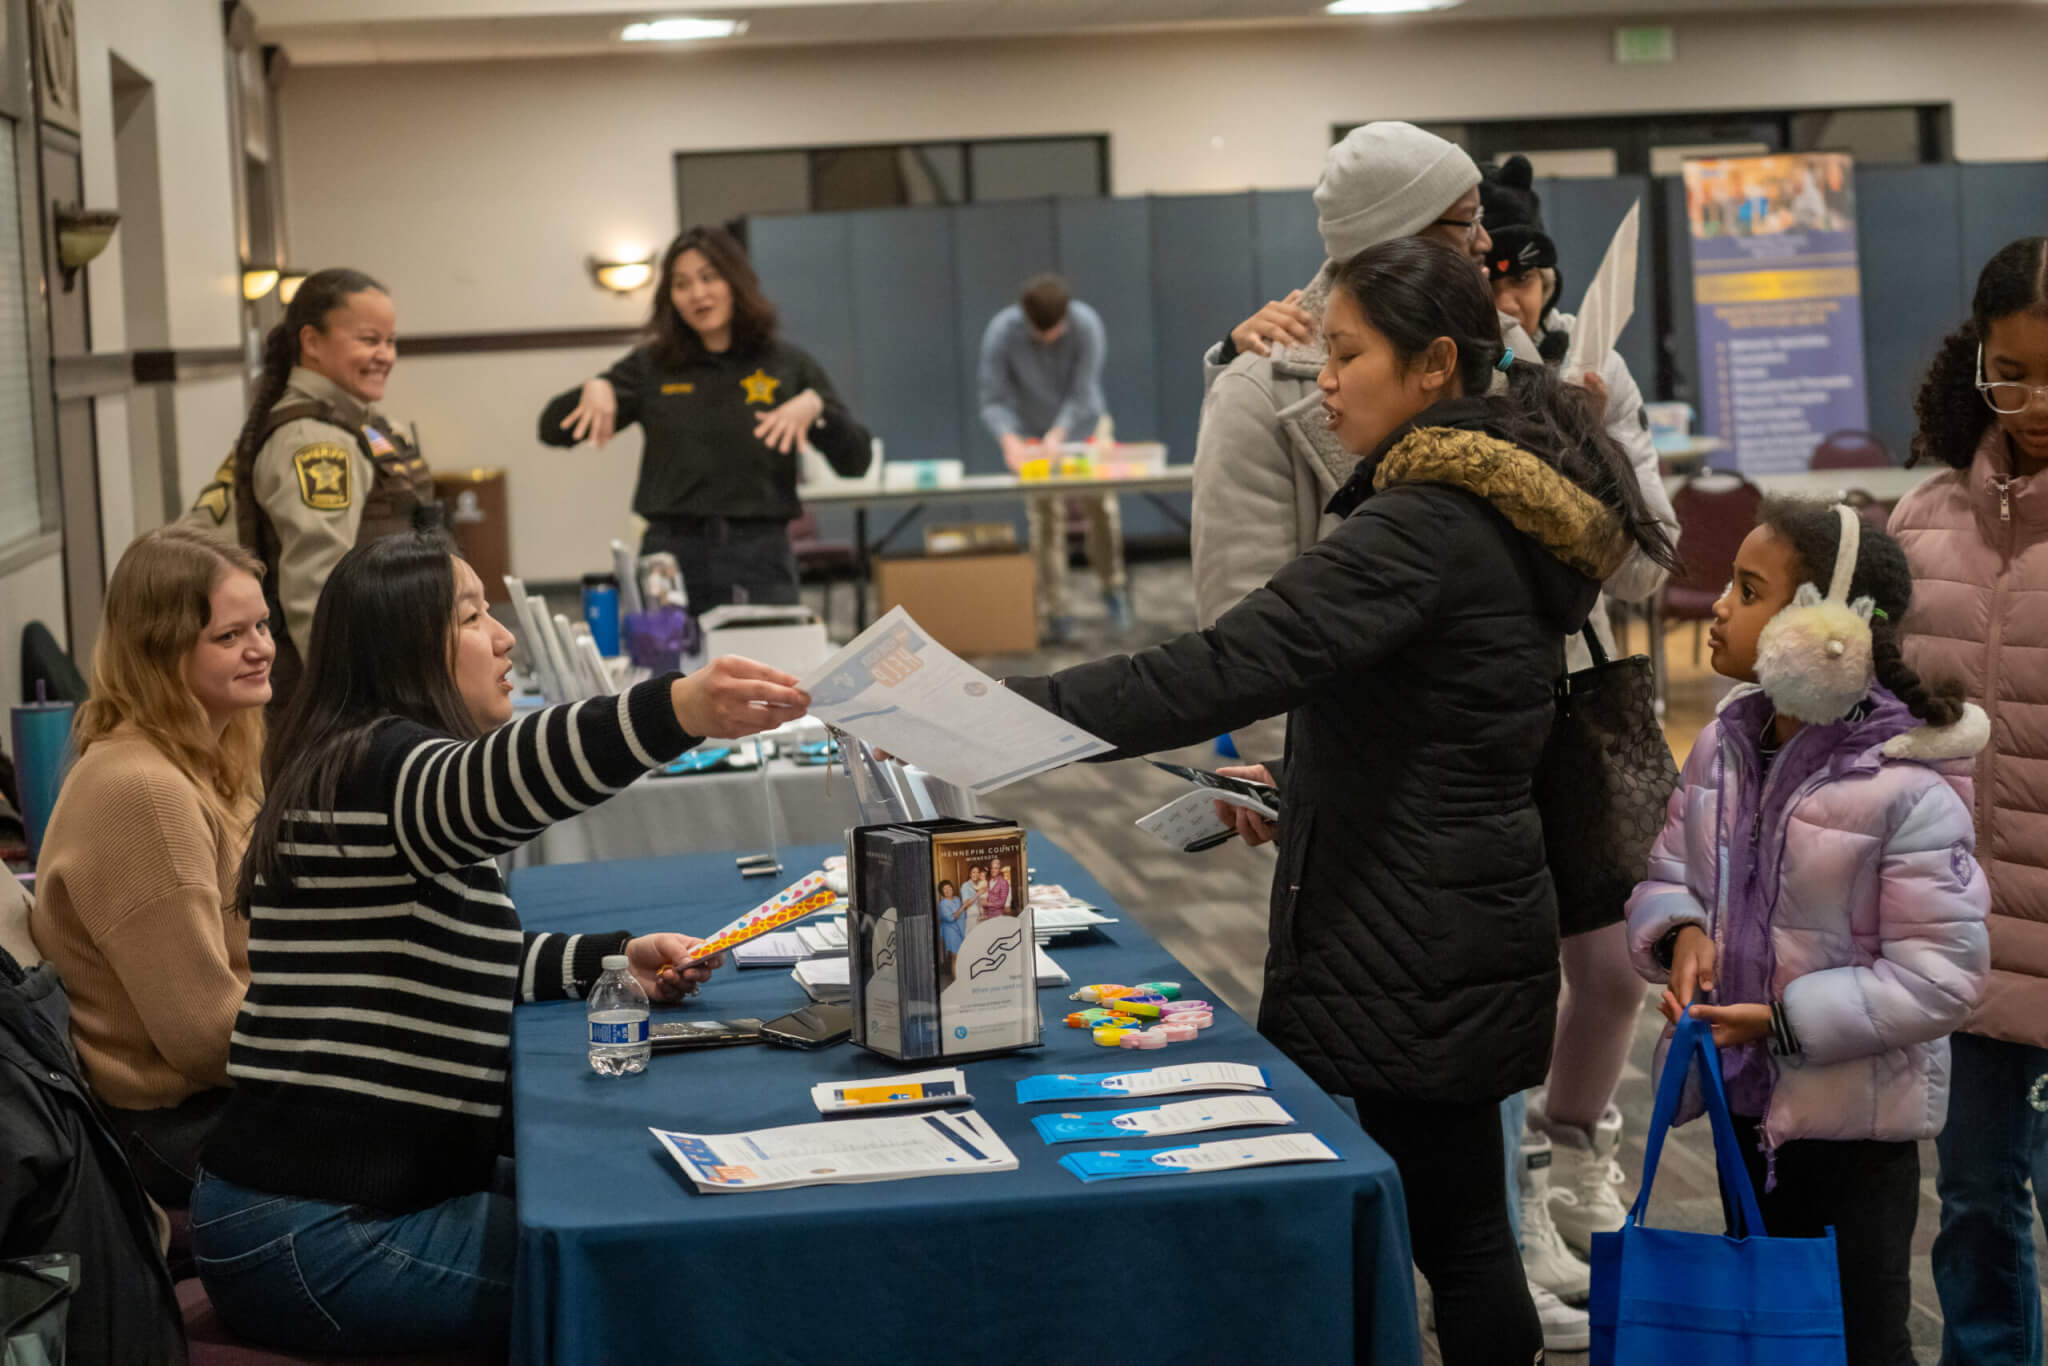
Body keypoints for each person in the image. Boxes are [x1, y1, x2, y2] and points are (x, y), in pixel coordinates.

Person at [1007, 237, 1678, 1366]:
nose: (1323, 379)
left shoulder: (1419, 524)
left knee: (1421, 1233)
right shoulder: (1490, 501)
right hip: (1450, 900)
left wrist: (993, 709)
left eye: (1349, 353)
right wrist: (1318, 776)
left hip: (1403, 928)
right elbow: (1425, 715)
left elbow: (1217, 668)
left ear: (1433, 368)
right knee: (1456, 1227)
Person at [188, 532, 809, 1355]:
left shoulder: (364, 766)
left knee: (640, 1200)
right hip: (321, 1229)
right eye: (473, 616)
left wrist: (610, 961)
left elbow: (456, 954)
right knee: (660, 1273)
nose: (504, 635)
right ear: (409, 646)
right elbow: (500, 782)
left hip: (339, 1203)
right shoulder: (380, 768)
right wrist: (678, 710)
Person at [1627, 498, 1991, 1364]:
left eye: (1747, 590)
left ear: (1822, 630)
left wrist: (1781, 1020)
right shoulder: (1725, 743)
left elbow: (1942, 977)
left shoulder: (1906, 789)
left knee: (1858, 1340)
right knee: (1765, 1330)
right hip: (1741, 1105)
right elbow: (1670, 871)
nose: (1717, 604)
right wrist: (1680, 934)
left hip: (1852, 1134)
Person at [1477, 164, 1665, 1303]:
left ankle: (1577, 1149)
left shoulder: (1598, 371)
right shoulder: (1436, 370)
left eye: (1526, 275)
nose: (1511, 299)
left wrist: (1593, 440)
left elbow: (1649, 561)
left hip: (1590, 691)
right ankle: (1508, 1187)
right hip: (1479, 696)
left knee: (1610, 962)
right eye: (1490, 275)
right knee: (1498, 963)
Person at [1888, 234, 2048, 1365]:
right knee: (1976, 1217)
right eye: (2010, 372)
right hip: (1968, 955)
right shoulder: (1923, 521)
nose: (2031, 402)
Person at [27, 528, 271, 1208]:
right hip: (163, 1131)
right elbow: (206, 1038)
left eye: (261, 624)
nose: (261, 648)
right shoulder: (147, 793)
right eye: (229, 637)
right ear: (160, 652)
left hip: (213, 1098)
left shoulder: (207, 756)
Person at [539, 225, 872, 611]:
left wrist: (818, 410)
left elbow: (856, 463)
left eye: (709, 277)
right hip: (669, 555)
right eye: (682, 283)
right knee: (669, 668)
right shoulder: (653, 366)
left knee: (764, 668)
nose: (697, 294)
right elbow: (551, 431)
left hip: (761, 555)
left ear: (736, 282)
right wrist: (594, 386)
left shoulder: (787, 364)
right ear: (670, 297)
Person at [180, 268, 432, 716]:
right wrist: (351, 714)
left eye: (391, 342)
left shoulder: (349, 424)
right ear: (311, 342)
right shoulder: (315, 442)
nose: (385, 356)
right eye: (369, 339)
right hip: (319, 698)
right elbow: (319, 594)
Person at [978, 273, 1130, 641]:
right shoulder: (1001, 333)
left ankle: (1113, 588)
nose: (1047, 339)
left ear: (1066, 315)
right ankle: (1056, 609)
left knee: (1102, 509)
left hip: (1086, 426)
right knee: (1044, 520)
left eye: (1055, 331)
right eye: (1038, 333)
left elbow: (1083, 393)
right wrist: (1010, 441)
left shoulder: (1087, 325)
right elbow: (993, 399)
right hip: (1032, 433)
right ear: (1024, 317)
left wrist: (1059, 436)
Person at [937, 880, 966, 964]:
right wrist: (963, 906)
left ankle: (961, 977)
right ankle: (955, 977)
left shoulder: (957, 899)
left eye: (949, 887)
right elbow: (951, 918)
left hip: (960, 930)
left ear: (952, 889)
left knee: (962, 956)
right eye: (944, 888)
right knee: (955, 958)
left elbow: (963, 915)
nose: (947, 890)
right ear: (942, 892)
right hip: (951, 932)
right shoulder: (943, 904)